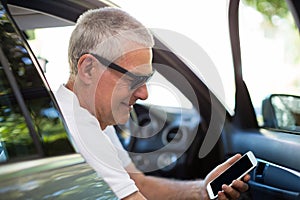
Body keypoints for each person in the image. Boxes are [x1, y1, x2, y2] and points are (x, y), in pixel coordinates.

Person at [55, 7, 250, 200]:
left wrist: (201, 190)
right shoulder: (79, 129)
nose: (144, 94)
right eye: (133, 80)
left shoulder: (89, 115)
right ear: (88, 69)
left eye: (145, 81)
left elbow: (138, 184)